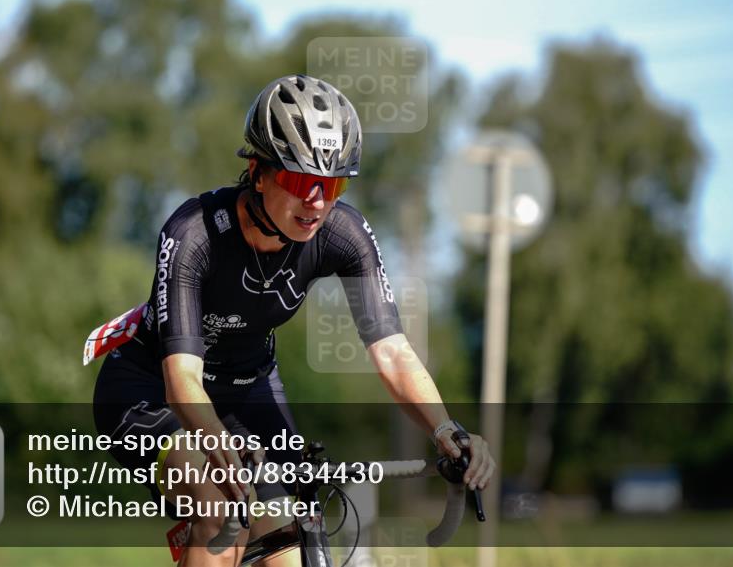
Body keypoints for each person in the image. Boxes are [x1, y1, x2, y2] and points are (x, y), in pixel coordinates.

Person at [91, 74, 494, 566]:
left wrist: (445, 430)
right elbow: (182, 381)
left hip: (247, 387)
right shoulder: (193, 232)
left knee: (290, 538)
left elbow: (392, 351)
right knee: (218, 505)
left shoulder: (343, 233)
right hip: (149, 390)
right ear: (258, 173)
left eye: (333, 184)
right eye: (302, 182)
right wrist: (225, 450)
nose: (318, 202)